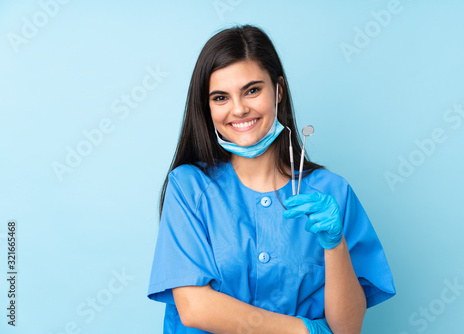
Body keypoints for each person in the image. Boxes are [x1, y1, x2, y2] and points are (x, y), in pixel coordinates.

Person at [147, 25, 396, 334]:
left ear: (277, 90)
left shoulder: (331, 193)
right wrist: (304, 330)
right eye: (220, 97)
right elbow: (195, 307)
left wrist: (335, 246)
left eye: (252, 90)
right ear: (207, 106)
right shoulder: (190, 187)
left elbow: (346, 328)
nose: (239, 109)